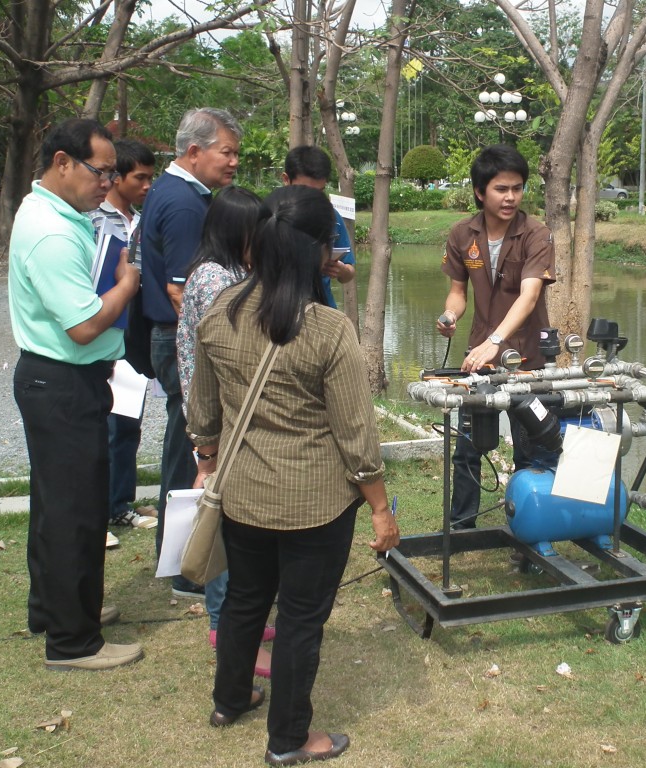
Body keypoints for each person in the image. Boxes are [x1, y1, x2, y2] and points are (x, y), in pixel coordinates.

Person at [186, 185, 399, 764]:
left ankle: (230, 700)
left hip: (243, 496)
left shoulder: (219, 312)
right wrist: (380, 507)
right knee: (302, 618)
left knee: (246, 602)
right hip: (315, 506)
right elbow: (358, 440)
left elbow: (202, 413)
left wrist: (207, 458)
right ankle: (289, 740)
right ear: (319, 253)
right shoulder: (328, 330)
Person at [8, 118, 142, 670]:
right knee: (76, 512)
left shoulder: (57, 212)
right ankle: (71, 642)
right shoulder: (54, 232)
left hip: (59, 380)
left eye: (112, 172)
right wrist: (128, 285)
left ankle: (57, 608)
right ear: (63, 162)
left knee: (56, 505)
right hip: (61, 381)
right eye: (100, 171)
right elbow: (84, 326)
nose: (107, 183)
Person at [141, 107, 242, 599]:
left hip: (175, 337)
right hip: (184, 341)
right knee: (195, 453)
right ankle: (188, 567)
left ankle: (184, 560)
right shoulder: (183, 203)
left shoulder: (176, 192)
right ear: (195, 150)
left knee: (185, 451)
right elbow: (185, 291)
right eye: (227, 152)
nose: (234, 162)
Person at [175, 186, 274, 678]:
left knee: (237, 523)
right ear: (240, 230)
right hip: (217, 416)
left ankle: (242, 619)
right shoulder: (215, 278)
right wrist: (206, 447)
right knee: (221, 519)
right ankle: (224, 624)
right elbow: (224, 354)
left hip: (229, 414)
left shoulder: (234, 271)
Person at [436, 144, 556, 529]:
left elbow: (530, 294)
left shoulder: (536, 234)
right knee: (469, 446)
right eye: (501, 189)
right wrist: (450, 314)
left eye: (517, 189)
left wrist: (497, 341)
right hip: (479, 358)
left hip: (528, 360)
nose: (510, 198)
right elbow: (459, 290)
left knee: (531, 448)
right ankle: (461, 525)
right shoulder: (461, 234)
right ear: (479, 191)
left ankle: (529, 528)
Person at [88, 138, 157, 549]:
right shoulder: (94, 219)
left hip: (137, 332)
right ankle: (96, 515)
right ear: (116, 178)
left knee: (128, 422)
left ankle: (120, 503)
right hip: (104, 326)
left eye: (151, 178)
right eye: (139, 178)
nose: (147, 185)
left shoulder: (143, 220)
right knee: (102, 424)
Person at [281, 146, 355, 309]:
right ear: (286, 180)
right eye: (305, 190)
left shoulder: (332, 217)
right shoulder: (271, 216)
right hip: (281, 311)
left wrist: (341, 271)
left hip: (322, 310)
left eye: (319, 192)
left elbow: (349, 270)